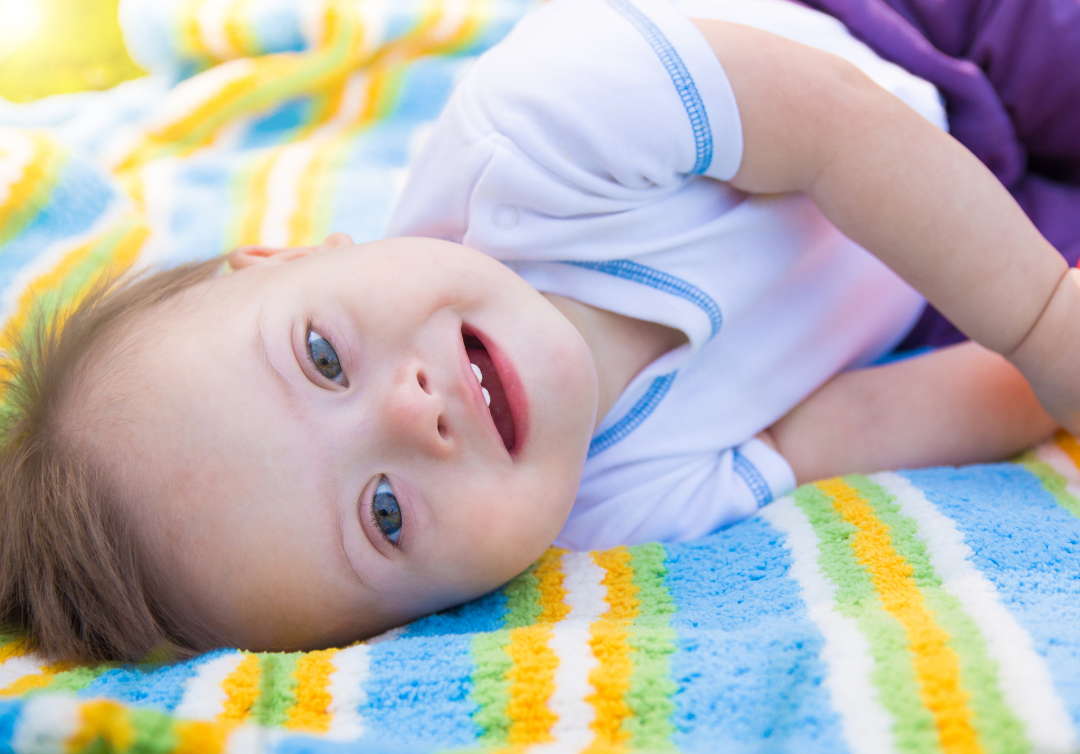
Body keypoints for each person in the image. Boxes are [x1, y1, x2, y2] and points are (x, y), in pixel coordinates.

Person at [1, 0, 1076, 663]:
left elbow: (839, 127)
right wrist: (1045, 373)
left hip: (908, 38)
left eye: (322, 356)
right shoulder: (598, 510)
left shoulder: (542, 129)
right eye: (382, 514)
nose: (407, 412)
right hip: (952, 273)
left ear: (298, 253)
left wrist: (1038, 318)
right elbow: (855, 419)